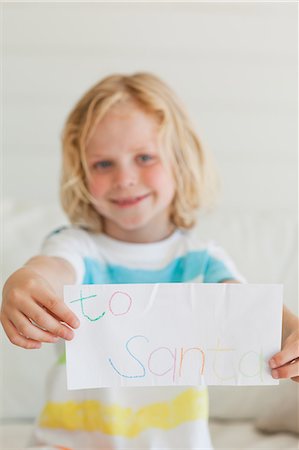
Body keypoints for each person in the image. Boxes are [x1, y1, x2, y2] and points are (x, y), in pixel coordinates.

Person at [1, 72, 298, 450]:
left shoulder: (201, 261)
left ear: (180, 161)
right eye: (103, 164)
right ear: (81, 173)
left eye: (144, 157)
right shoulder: (76, 248)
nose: (125, 178)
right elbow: (50, 271)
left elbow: (253, 312)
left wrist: (291, 332)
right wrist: (24, 282)